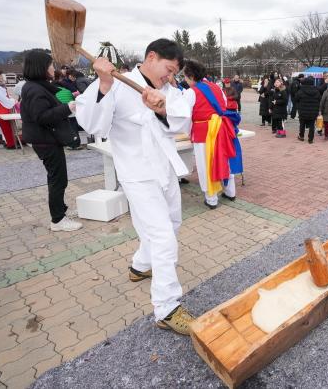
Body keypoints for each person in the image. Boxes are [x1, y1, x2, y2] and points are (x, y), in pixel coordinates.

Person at [76, 38, 195, 335]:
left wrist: (162, 109)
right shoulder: (117, 82)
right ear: (151, 57)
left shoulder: (168, 90)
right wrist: (102, 84)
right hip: (137, 173)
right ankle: (166, 308)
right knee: (163, 237)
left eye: (173, 73)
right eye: (167, 69)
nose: (169, 77)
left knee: (173, 223)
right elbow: (92, 125)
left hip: (165, 169)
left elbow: (182, 123)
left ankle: (140, 266)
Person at [20, 50, 83, 232]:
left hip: (47, 139)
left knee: (58, 178)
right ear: (41, 67)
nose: (52, 68)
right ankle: (57, 220)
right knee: (58, 179)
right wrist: (67, 108)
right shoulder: (34, 89)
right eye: (50, 65)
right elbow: (41, 116)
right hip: (45, 141)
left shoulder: (37, 86)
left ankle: (61, 212)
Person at [181, 60, 242, 209]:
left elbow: (184, 116)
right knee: (224, 159)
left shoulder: (191, 92)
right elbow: (223, 106)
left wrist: (187, 131)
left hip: (203, 133)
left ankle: (211, 198)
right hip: (222, 129)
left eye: (185, 77)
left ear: (191, 76)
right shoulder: (217, 87)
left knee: (206, 165)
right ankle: (230, 192)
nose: (185, 80)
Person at [295, 76, 320, 144]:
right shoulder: (316, 91)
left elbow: (296, 98)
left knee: (302, 124)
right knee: (312, 125)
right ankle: (310, 139)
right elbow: (319, 99)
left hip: (302, 111)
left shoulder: (301, 90)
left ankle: (301, 136)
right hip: (313, 111)